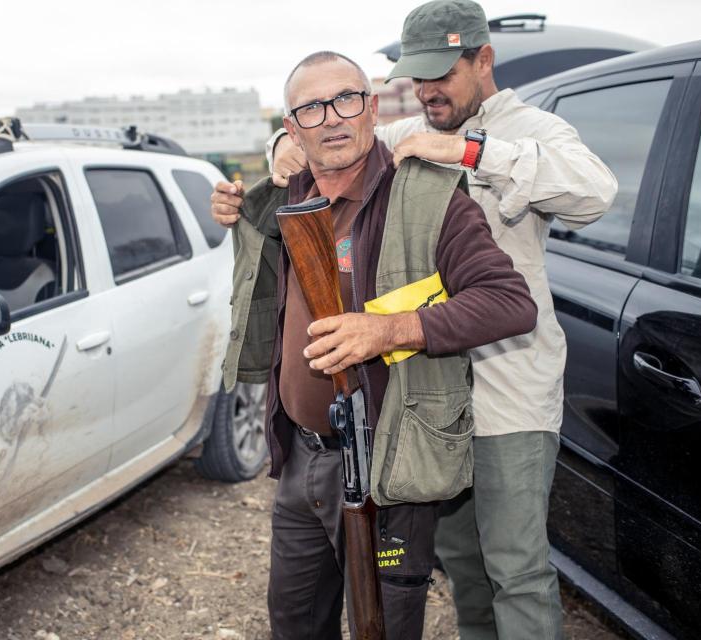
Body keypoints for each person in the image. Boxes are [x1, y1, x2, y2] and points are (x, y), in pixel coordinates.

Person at [227, 2, 618, 639]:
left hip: (505, 388)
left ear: (483, 60)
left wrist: (467, 150)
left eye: (442, 73)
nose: (427, 89)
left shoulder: (531, 129)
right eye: (417, 75)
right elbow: (329, 128)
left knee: (515, 568)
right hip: (427, 396)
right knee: (461, 564)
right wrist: (280, 149)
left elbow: (594, 193)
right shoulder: (405, 126)